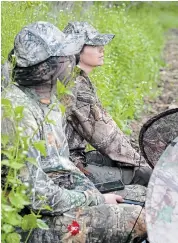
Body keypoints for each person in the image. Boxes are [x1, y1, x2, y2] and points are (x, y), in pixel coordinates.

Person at [2, 21, 147, 243]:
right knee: (141, 219)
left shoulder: (46, 102)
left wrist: (95, 196)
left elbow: (61, 168)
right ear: (48, 67)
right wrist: (91, 199)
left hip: (60, 201)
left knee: (146, 197)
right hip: (29, 223)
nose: (71, 62)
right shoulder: (15, 114)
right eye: (65, 58)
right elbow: (34, 196)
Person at [61, 21, 152, 187]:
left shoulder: (75, 78)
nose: (102, 49)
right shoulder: (76, 86)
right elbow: (106, 138)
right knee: (147, 175)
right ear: (76, 49)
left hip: (73, 156)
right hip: (68, 167)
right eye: (95, 45)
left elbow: (109, 132)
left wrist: (137, 157)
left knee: (135, 164)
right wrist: (144, 164)